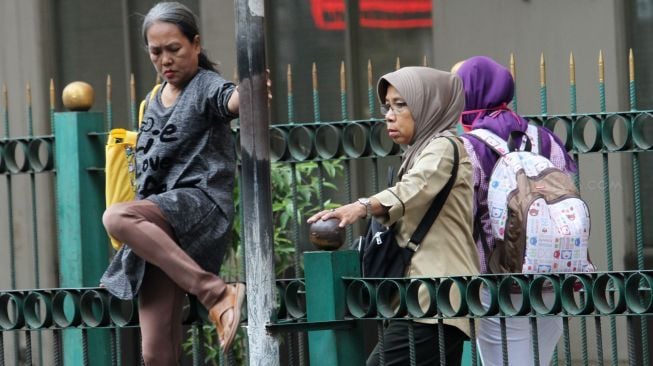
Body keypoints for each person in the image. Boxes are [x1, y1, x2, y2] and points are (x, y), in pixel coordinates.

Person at [100, 2, 244, 364]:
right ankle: (212, 293)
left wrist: (251, 93)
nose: (165, 60)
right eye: (156, 52)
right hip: (161, 223)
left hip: (199, 205)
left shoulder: (206, 85)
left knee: (117, 217)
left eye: (174, 49)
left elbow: (230, 100)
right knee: (155, 353)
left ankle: (214, 293)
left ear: (195, 44)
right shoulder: (153, 98)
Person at [308, 66, 480, 366]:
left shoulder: (444, 147)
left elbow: (414, 188)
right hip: (420, 300)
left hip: (435, 302)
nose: (389, 114)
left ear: (429, 105)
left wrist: (361, 206)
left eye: (401, 104)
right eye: (388, 106)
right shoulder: (419, 151)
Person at [457, 55, 577, 366]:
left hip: (498, 280)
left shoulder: (470, 147)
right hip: (554, 273)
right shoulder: (546, 139)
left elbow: (463, 214)